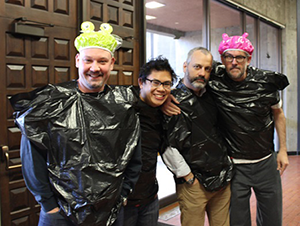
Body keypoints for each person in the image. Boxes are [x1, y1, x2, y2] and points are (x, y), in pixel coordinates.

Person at [10, 21, 142, 226]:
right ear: (77, 60)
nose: (95, 68)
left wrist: (122, 195)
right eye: (88, 60)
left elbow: (134, 155)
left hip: (111, 211)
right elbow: (32, 157)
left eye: (102, 61)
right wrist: (49, 205)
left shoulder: (123, 105)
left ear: (112, 63)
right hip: (60, 214)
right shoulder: (51, 102)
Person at [208, 33, 289, 226]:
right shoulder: (213, 82)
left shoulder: (266, 83)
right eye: (229, 57)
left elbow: (278, 114)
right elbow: (189, 82)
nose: (234, 62)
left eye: (240, 57)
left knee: (272, 218)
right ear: (222, 59)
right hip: (234, 166)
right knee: (237, 220)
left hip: (265, 162)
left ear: (248, 59)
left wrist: (283, 150)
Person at [161, 47, 233, 226]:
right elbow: (167, 144)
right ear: (185, 66)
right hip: (194, 185)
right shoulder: (172, 101)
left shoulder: (213, 96)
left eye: (207, 69)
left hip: (222, 179)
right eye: (197, 67)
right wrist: (188, 177)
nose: (202, 73)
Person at [123, 56, 177, 226]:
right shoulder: (123, 107)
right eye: (155, 82)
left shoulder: (163, 112)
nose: (161, 89)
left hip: (150, 198)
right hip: (123, 202)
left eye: (167, 84)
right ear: (141, 82)